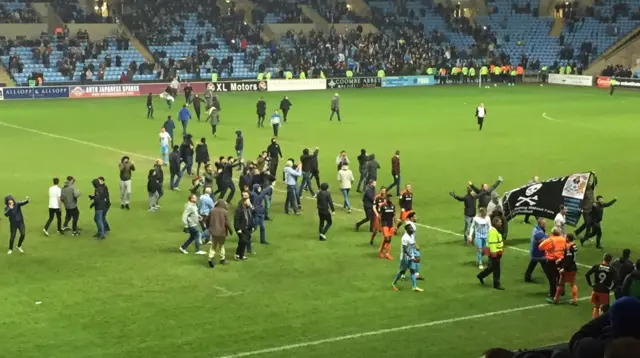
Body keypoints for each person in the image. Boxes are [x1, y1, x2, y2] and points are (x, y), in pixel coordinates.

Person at [391, 223, 423, 292]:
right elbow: (405, 250)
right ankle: (393, 284)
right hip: (405, 258)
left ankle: (414, 287)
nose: (412, 229)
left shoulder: (412, 236)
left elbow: (413, 245)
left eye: (412, 228)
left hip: (411, 256)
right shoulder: (404, 238)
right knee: (401, 271)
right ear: (407, 230)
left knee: (412, 271)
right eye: (410, 228)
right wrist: (412, 257)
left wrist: (416, 253)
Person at [477, 217, 505, 290]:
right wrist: (494, 254)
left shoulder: (495, 230)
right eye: (500, 222)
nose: (501, 223)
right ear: (495, 223)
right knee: (496, 269)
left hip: (496, 253)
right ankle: (496, 284)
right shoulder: (493, 232)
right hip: (494, 254)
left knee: (492, 267)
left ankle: (481, 275)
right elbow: (492, 244)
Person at [539, 227, 567, 299]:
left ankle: (552, 292)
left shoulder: (550, 240)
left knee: (552, 278)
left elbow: (540, 247)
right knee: (560, 277)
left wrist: (548, 249)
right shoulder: (563, 239)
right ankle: (562, 291)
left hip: (551, 261)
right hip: (561, 260)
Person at [586, 253, 617, 318]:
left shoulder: (597, 266)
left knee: (596, 306)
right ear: (610, 260)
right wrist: (611, 288)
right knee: (605, 309)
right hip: (604, 291)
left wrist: (590, 284)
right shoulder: (612, 269)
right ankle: (602, 323)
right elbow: (615, 280)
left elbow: (587, 274)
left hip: (596, 289)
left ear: (603, 258)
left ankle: (594, 322)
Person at [553, 233, 579, 305]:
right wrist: (561, 259)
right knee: (573, 284)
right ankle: (575, 300)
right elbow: (570, 257)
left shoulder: (568, 246)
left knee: (561, 283)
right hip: (573, 267)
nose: (565, 238)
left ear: (568, 238)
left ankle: (556, 299)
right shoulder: (574, 245)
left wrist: (563, 268)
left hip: (568, 268)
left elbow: (568, 258)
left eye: (566, 237)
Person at [206, 199, 233, 267]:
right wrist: (230, 230)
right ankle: (222, 259)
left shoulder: (212, 210)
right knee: (221, 245)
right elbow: (227, 223)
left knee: (213, 245)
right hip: (222, 232)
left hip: (213, 232)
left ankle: (210, 258)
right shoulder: (225, 212)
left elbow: (207, 219)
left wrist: (208, 227)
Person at [524, 218, 547, 282]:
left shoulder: (538, 229)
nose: (545, 225)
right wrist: (547, 238)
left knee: (532, 264)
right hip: (538, 252)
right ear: (540, 224)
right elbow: (542, 241)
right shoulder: (538, 232)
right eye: (544, 223)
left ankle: (527, 277)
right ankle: (551, 278)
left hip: (535, 252)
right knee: (546, 267)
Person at [234, 196, 254, 260]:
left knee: (242, 242)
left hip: (248, 228)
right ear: (244, 202)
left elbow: (251, 217)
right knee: (243, 241)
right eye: (248, 201)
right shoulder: (239, 209)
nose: (249, 202)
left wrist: (252, 226)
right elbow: (236, 220)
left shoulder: (249, 208)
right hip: (241, 229)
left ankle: (240, 255)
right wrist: (238, 229)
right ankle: (238, 254)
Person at [378, 194, 396, 259]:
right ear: (387, 199)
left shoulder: (393, 206)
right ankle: (381, 250)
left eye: (391, 198)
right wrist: (379, 226)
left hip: (390, 224)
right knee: (386, 238)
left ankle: (387, 253)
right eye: (389, 198)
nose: (391, 200)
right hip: (384, 223)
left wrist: (395, 226)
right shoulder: (382, 206)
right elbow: (379, 217)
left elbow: (394, 216)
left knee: (389, 240)